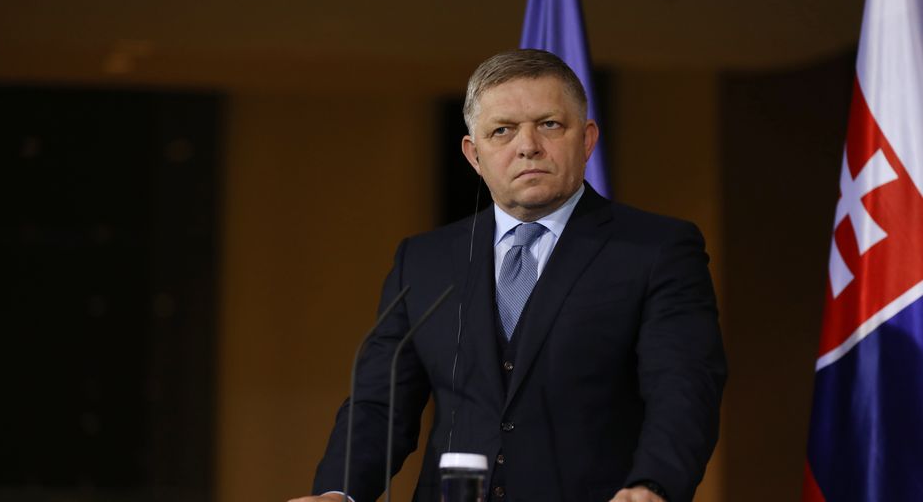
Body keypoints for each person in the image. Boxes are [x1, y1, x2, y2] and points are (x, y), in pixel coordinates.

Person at [291, 49, 726, 502]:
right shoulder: (424, 260)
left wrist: (652, 485)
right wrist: (338, 492)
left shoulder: (654, 249)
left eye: (550, 124)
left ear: (588, 139)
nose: (528, 145)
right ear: (474, 154)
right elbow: (381, 404)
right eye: (503, 130)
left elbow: (684, 385)